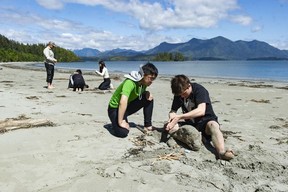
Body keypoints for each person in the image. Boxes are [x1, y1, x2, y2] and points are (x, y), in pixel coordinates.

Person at [165, 74, 234, 161]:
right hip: (191, 124)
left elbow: (201, 110)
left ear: (188, 86)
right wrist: (171, 119)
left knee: (213, 125)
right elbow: (173, 111)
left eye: (183, 93)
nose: (182, 96)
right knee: (170, 127)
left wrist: (180, 117)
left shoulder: (199, 90)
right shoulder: (179, 94)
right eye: (180, 95)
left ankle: (221, 152)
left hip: (206, 122)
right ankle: (196, 139)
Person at [107, 62, 158, 138]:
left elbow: (137, 93)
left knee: (149, 98)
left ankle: (148, 125)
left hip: (126, 107)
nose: (152, 81)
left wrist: (146, 92)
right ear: (143, 75)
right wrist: (120, 122)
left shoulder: (143, 83)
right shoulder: (130, 82)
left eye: (153, 79)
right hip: (114, 108)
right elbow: (122, 101)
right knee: (123, 133)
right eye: (150, 78)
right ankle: (116, 123)